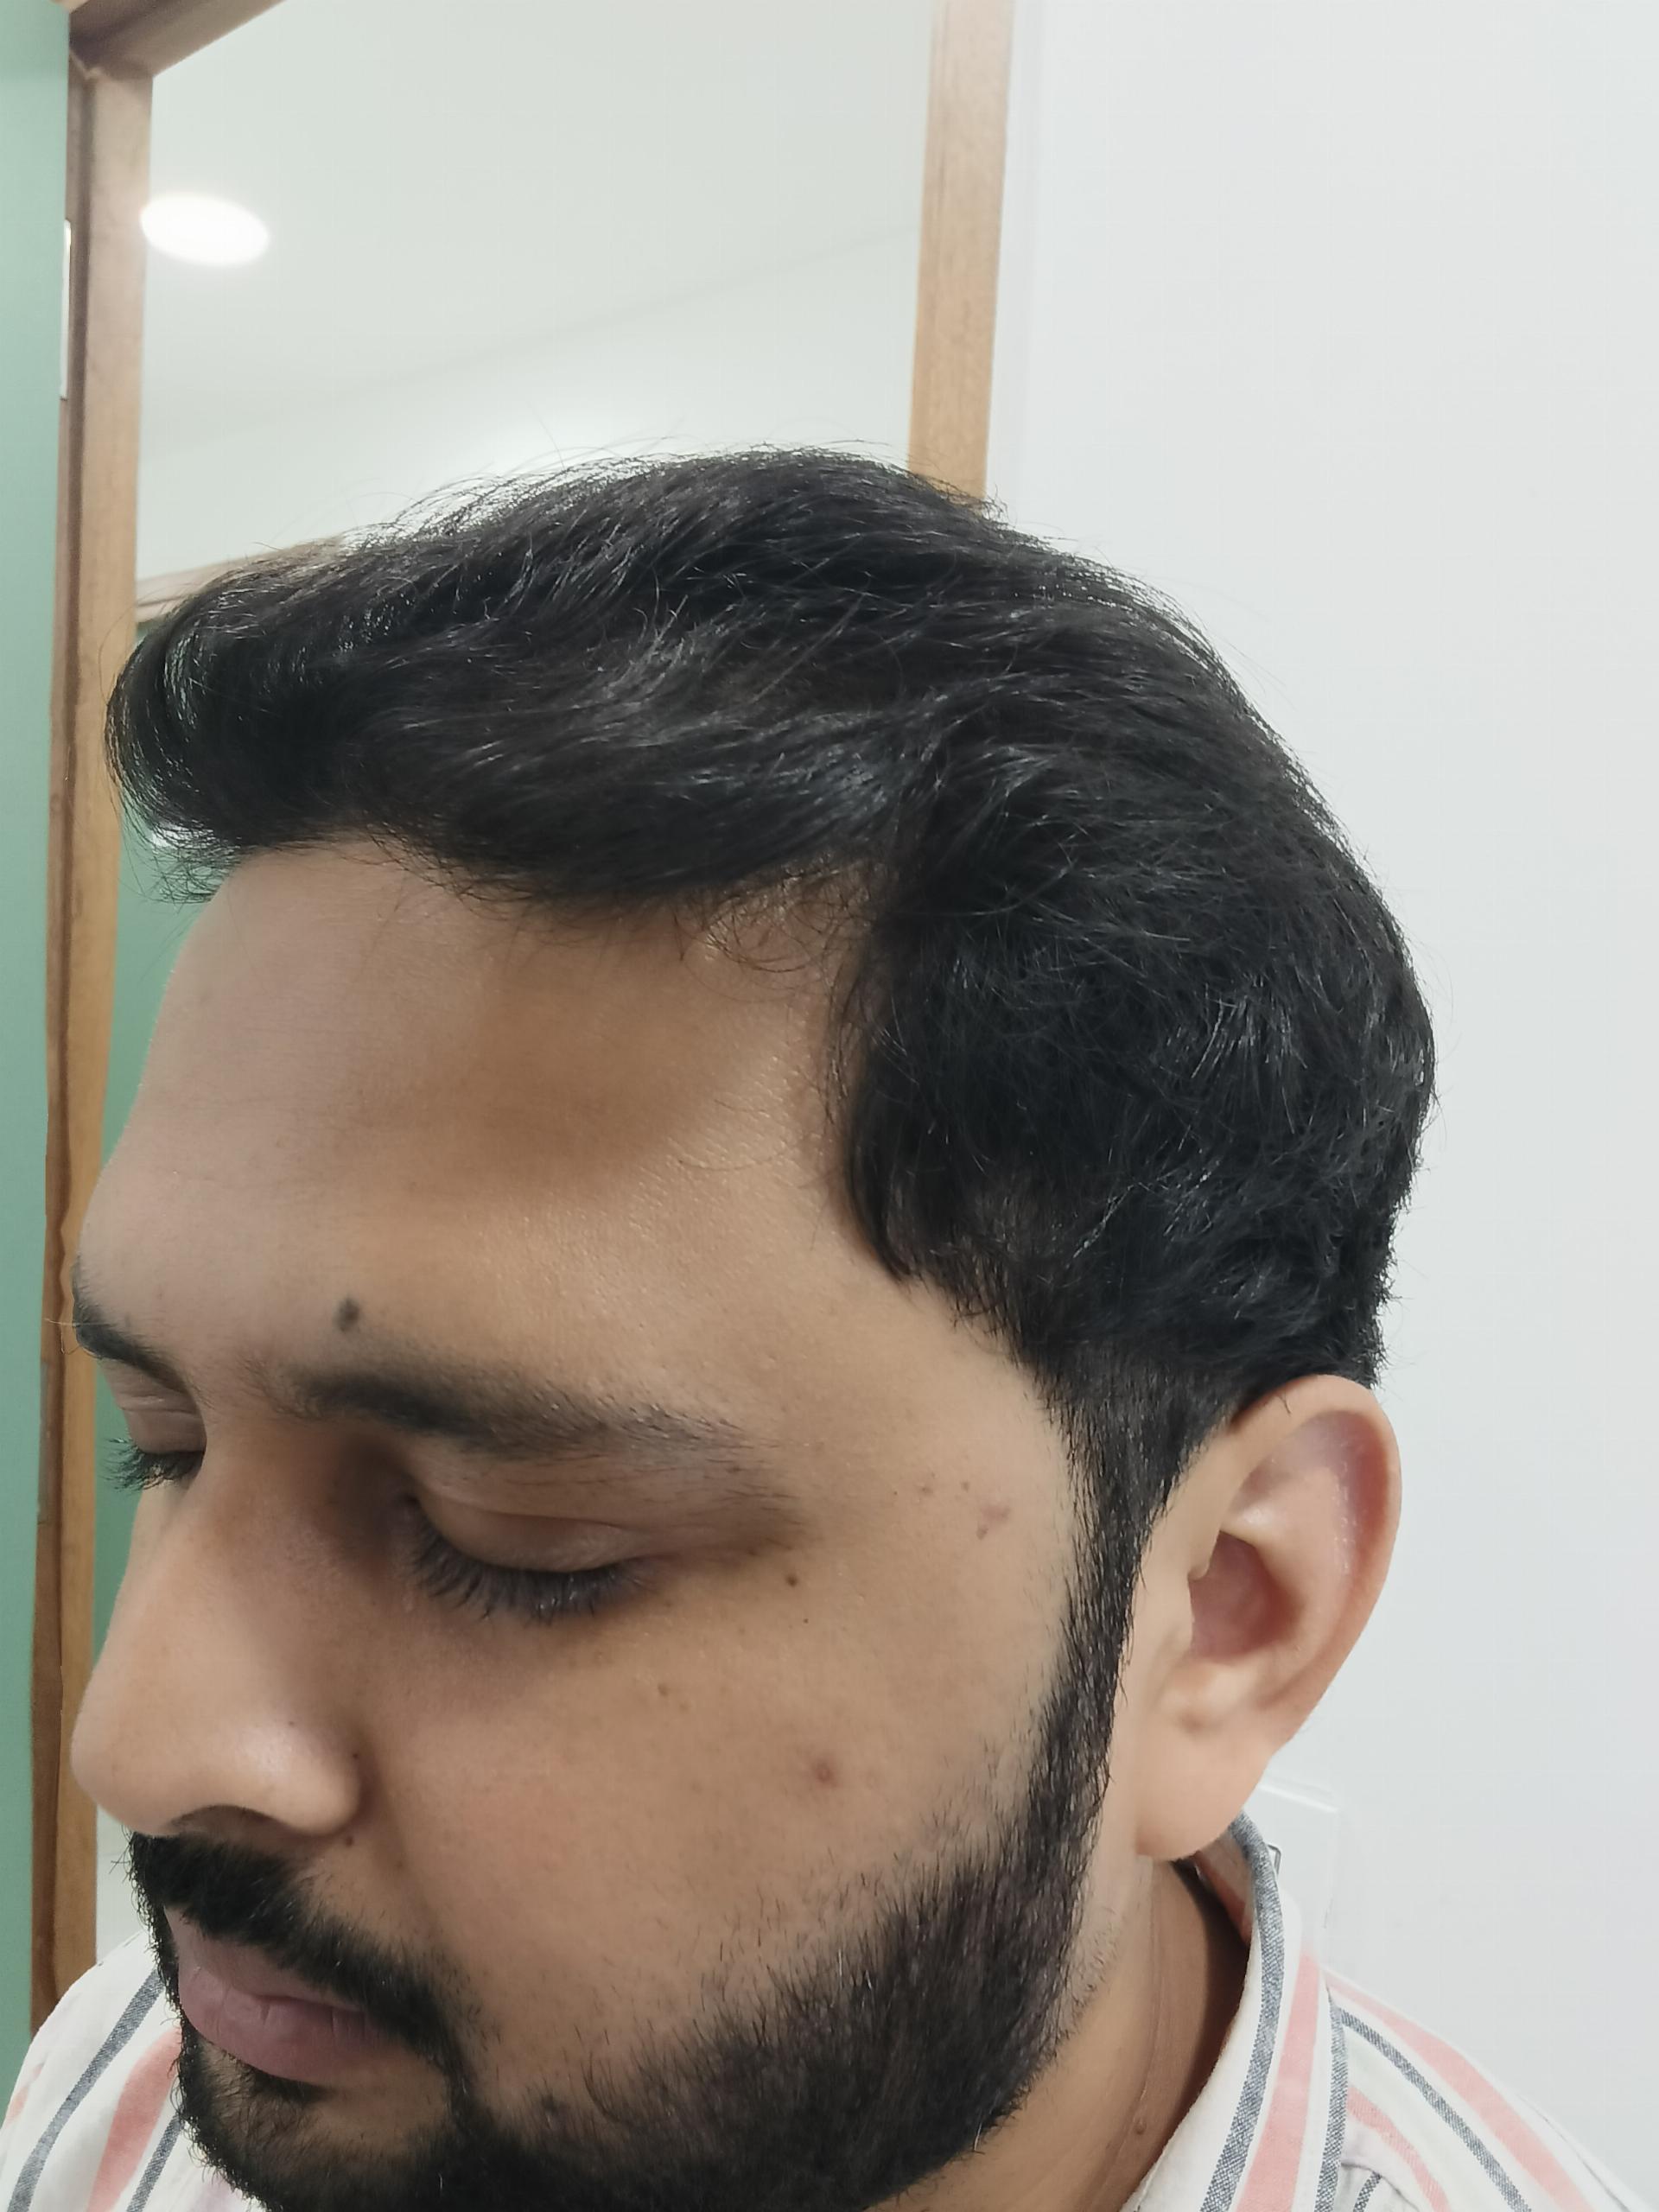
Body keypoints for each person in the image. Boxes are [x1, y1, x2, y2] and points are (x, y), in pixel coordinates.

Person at [1, 454, 1637, 2212]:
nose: (136, 1743)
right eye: (165, 1445)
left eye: (514, 1544)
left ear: (1228, 1609)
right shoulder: (148, 2090)